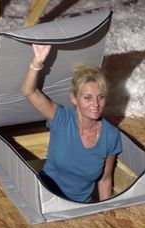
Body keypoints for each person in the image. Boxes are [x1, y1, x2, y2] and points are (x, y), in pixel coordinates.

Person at [21, 44, 122, 203]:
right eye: (87, 98)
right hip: (45, 197)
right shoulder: (61, 118)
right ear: (74, 98)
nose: (95, 104)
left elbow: (104, 180)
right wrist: (37, 61)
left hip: (80, 206)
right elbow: (30, 91)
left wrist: (105, 208)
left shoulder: (111, 135)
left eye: (100, 97)